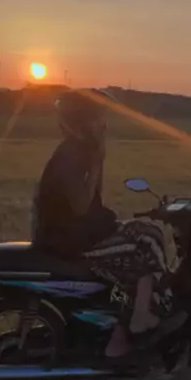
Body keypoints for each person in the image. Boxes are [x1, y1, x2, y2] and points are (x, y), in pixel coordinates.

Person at [31, 88, 172, 359]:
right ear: (84, 120)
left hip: (80, 232)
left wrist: (99, 157)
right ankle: (133, 325)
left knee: (149, 233)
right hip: (70, 241)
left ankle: (126, 324)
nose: (104, 125)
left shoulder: (81, 150)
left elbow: (95, 197)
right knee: (147, 246)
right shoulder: (70, 155)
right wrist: (97, 163)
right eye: (99, 118)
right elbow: (81, 206)